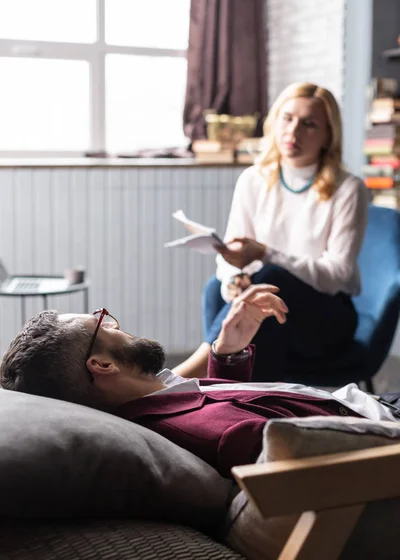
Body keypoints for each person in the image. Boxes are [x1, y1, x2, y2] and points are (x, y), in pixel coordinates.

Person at [0, 285, 394, 479]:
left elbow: (204, 402)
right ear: (102, 365)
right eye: (105, 323)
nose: (120, 326)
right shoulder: (222, 434)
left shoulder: (153, 406)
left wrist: (227, 352)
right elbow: (336, 460)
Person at [173, 82, 369, 381]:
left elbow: (336, 276)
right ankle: (223, 389)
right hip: (272, 307)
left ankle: (191, 374)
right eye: (287, 118)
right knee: (217, 288)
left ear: (328, 135)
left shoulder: (348, 189)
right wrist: (235, 280)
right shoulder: (253, 179)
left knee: (273, 278)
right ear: (275, 122)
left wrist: (266, 254)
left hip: (326, 318)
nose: (294, 132)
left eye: (309, 124)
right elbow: (231, 255)